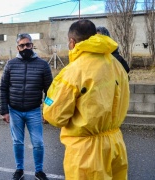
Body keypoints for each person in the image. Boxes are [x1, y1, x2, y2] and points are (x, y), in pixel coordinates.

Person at [43, 20, 130, 179]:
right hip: (116, 144)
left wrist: (47, 105)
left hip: (85, 153)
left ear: (72, 42)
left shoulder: (74, 71)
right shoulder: (116, 65)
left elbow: (55, 115)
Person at [0, 33, 53, 180]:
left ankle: (39, 171)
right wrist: (4, 111)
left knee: (38, 143)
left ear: (32, 45)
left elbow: (50, 92)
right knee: (17, 142)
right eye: (22, 45)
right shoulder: (10, 64)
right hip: (14, 111)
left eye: (28, 44)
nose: (25, 48)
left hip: (34, 111)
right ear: (18, 47)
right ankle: (19, 169)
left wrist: (47, 111)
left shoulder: (43, 65)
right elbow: (3, 88)